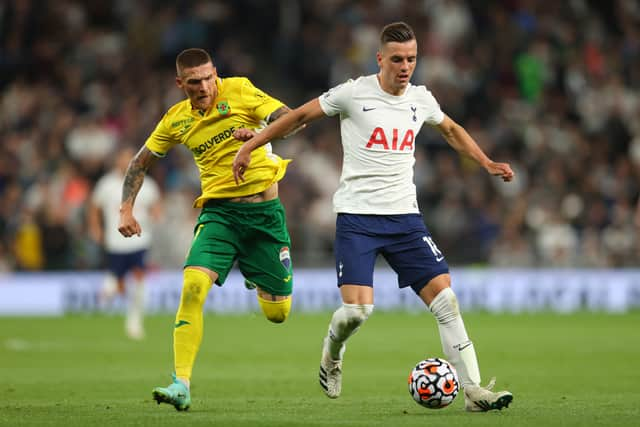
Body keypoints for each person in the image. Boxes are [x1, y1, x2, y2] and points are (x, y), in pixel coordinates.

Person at [232, 22, 515, 412]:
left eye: (412, 59)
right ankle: (331, 354)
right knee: (357, 311)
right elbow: (298, 117)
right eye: (397, 59)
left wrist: (485, 162)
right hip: (358, 218)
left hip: (405, 220)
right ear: (380, 58)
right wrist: (254, 145)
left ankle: (474, 391)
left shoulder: (421, 98)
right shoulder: (353, 93)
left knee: (446, 301)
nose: (405, 66)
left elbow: (451, 129)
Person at [118, 48, 298, 411]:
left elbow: (293, 119)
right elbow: (141, 161)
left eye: (207, 78)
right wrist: (125, 209)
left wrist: (258, 136)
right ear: (180, 83)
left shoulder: (241, 91)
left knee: (278, 315)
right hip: (221, 217)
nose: (203, 87)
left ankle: (254, 272)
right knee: (192, 287)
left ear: (216, 73)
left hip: (265, 219)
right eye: (194, 82)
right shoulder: (176, 119)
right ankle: (180, 383)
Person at [88, 146, 162, 340]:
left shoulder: (147, 183)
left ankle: (134, 322)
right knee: (115, 285)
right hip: (116, 241)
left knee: (139, 280)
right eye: (123, 158)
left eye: (130, 157)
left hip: (140, 240)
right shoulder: (107, 184)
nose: (127, 161)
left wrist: (154, 218)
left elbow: (156, 208)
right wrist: (96, 228)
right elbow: (94, 207)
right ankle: (108, 292)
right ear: (116, 161)